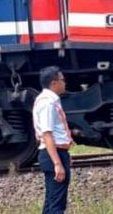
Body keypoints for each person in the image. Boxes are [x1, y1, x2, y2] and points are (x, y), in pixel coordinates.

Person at [33, 66, 72, 214]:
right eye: (62, 80)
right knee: (57, 205)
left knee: (51, 201)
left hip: (55, 153)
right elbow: (47, 133)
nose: (65, 83)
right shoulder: (47, 103)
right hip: (53, 154)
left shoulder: (48, 100)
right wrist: (57, 163)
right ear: (54, 83)